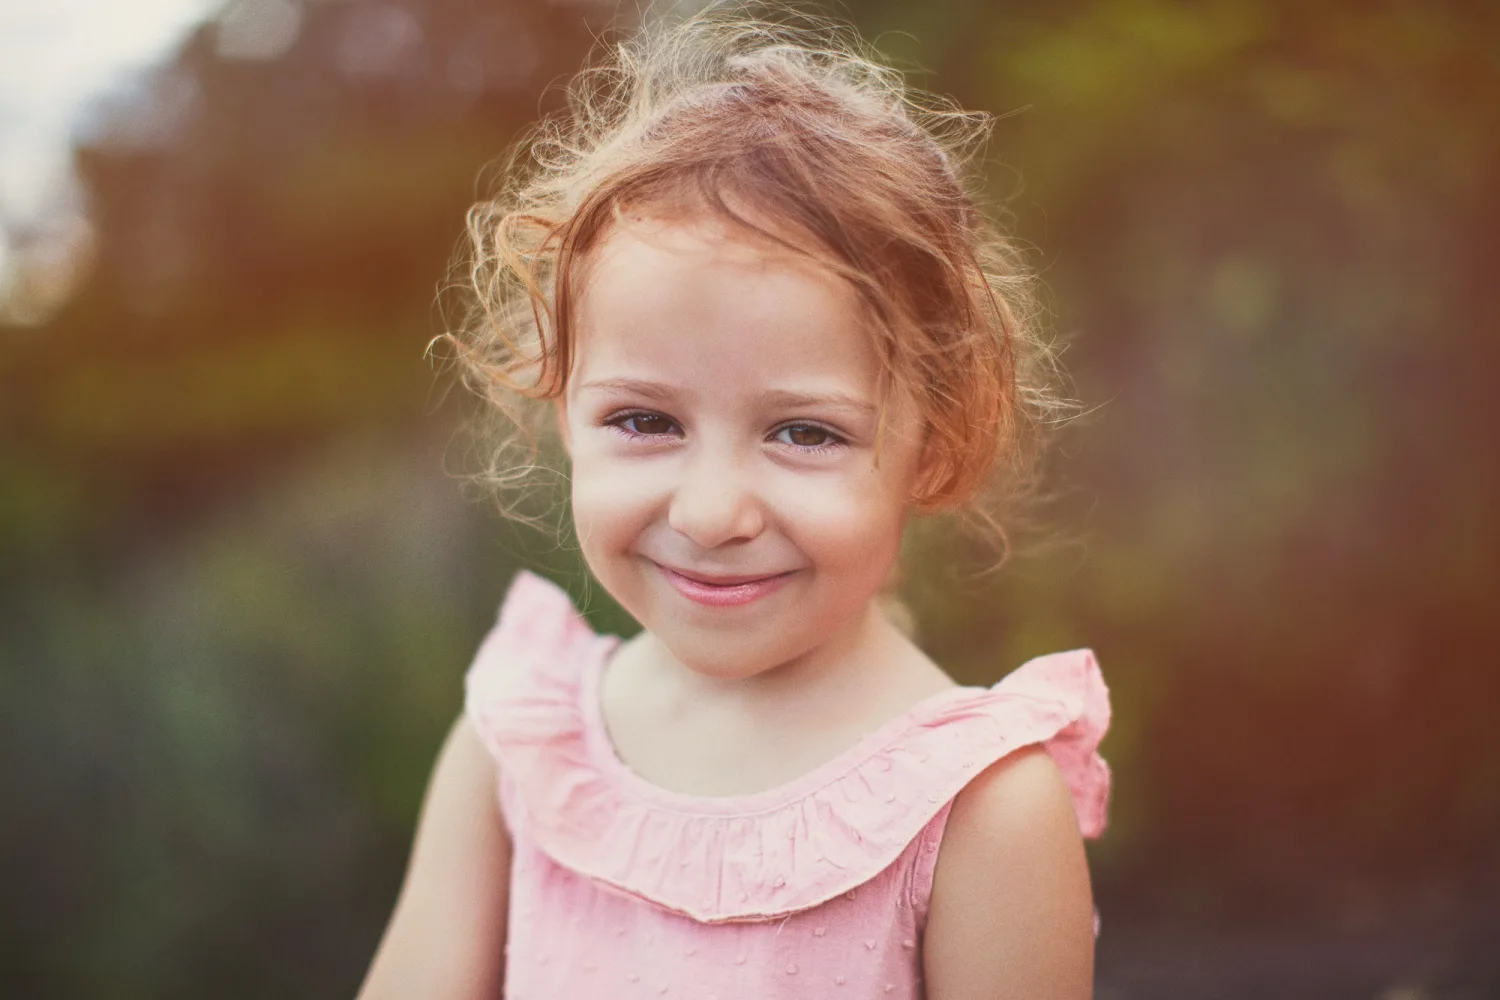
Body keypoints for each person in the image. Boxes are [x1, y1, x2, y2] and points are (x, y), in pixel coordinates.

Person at [358, 8, 1110, 999]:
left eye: (805, 432)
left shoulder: (981, 809)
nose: (712, 513)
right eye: (643, 420)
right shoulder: (519, 748)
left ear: (936, 443)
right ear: (562, 407)